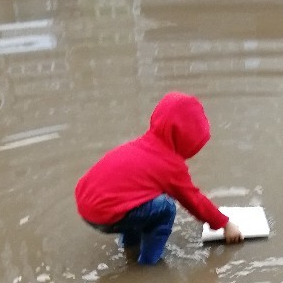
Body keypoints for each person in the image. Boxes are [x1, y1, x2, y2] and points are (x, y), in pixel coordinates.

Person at [75, 92, 243, 265]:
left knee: (139, 199)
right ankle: (148, 264)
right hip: (107, 214)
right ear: (187, 137)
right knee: (166, 208)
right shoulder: (170, 164)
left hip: (87, 205)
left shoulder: (141, 145)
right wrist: (225, 224)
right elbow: (195, 201)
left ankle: (129, 245)